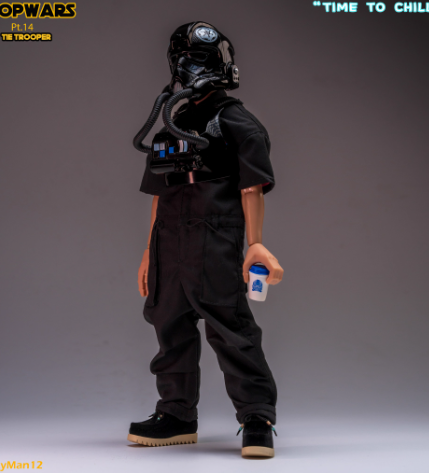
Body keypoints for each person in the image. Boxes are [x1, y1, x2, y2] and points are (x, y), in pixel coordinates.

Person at [128, 21, 284, 458]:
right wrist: (149, 250)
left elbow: (251, 187)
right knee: (169, 324)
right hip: (169, 239)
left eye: (203, 59)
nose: (194, 68)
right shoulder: (173, 124)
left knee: (229, 327)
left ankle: (257, 417)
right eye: (188, 60)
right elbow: (160, 192)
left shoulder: (236, 122)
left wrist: (255, 242)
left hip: (215, 235)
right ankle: (176, 414)